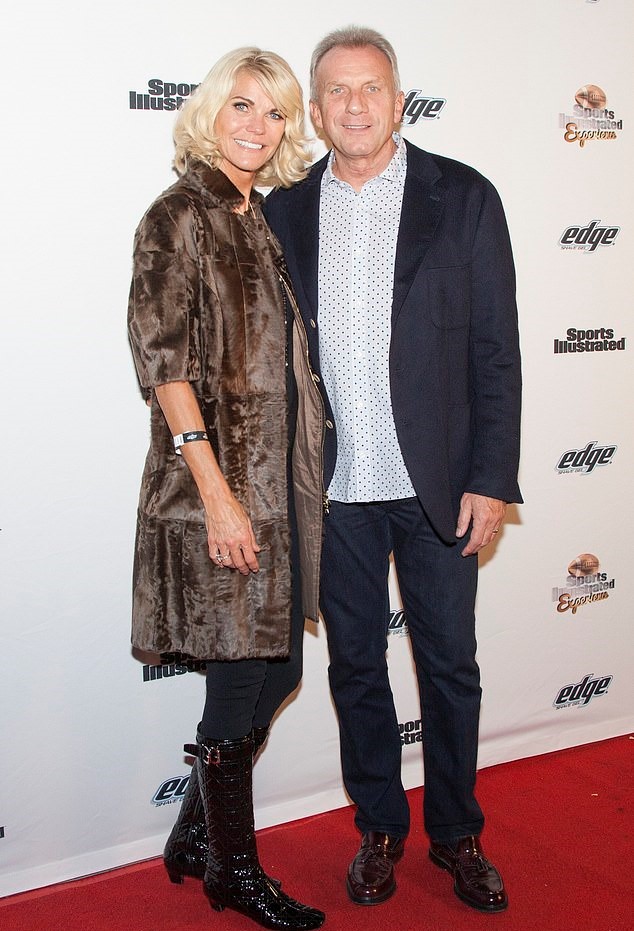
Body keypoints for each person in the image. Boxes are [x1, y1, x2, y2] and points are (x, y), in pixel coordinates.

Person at [265, 25, 522, 915]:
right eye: (337, 90)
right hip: (334, 489)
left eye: (371, 86)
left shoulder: (465, 197)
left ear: (399, 99)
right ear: (316, 108)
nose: (356, 104)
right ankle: (379, 826)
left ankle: (456, 832)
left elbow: (496, 350)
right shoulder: (285, 211)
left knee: (450, 667)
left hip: (439, 484)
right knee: (356, 669)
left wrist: (492, 477)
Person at [127, 47, 325, 930]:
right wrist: (215, 493)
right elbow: (165, 367)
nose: (258, 125)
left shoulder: (261, 217)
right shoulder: (178, 216)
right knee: (241, 679)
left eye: (276, 111)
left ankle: (192, 837)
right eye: (243, 105)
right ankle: (233, 871)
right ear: (211, 111)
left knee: (277, 667)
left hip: (277, 490)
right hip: (217, 488)